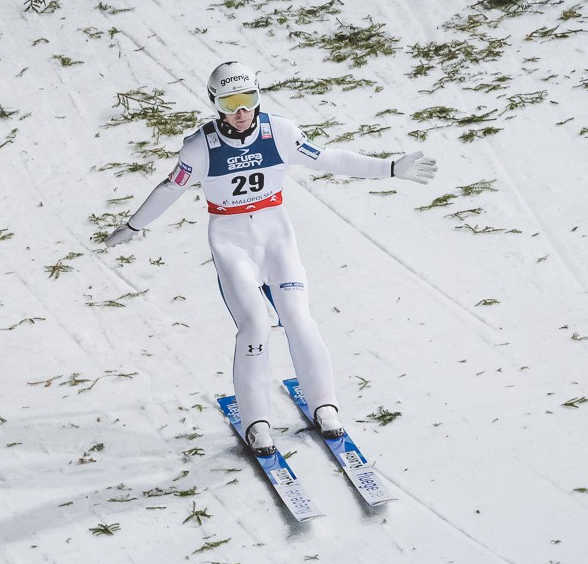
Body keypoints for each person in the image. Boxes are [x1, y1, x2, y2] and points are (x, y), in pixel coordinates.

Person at [105, 61, 436, 456]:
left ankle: (325, 406)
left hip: (276, 237)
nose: (241, 112)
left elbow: (330, 159)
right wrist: (134, 226)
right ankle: (256, 422)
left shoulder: (280, 132)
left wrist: (391, 168)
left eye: (248, 99)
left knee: (299, 319)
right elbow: (169, 188)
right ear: (215, 104)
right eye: (230, 104)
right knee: (255, 326)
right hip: (232, 243)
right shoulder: (199, 147)